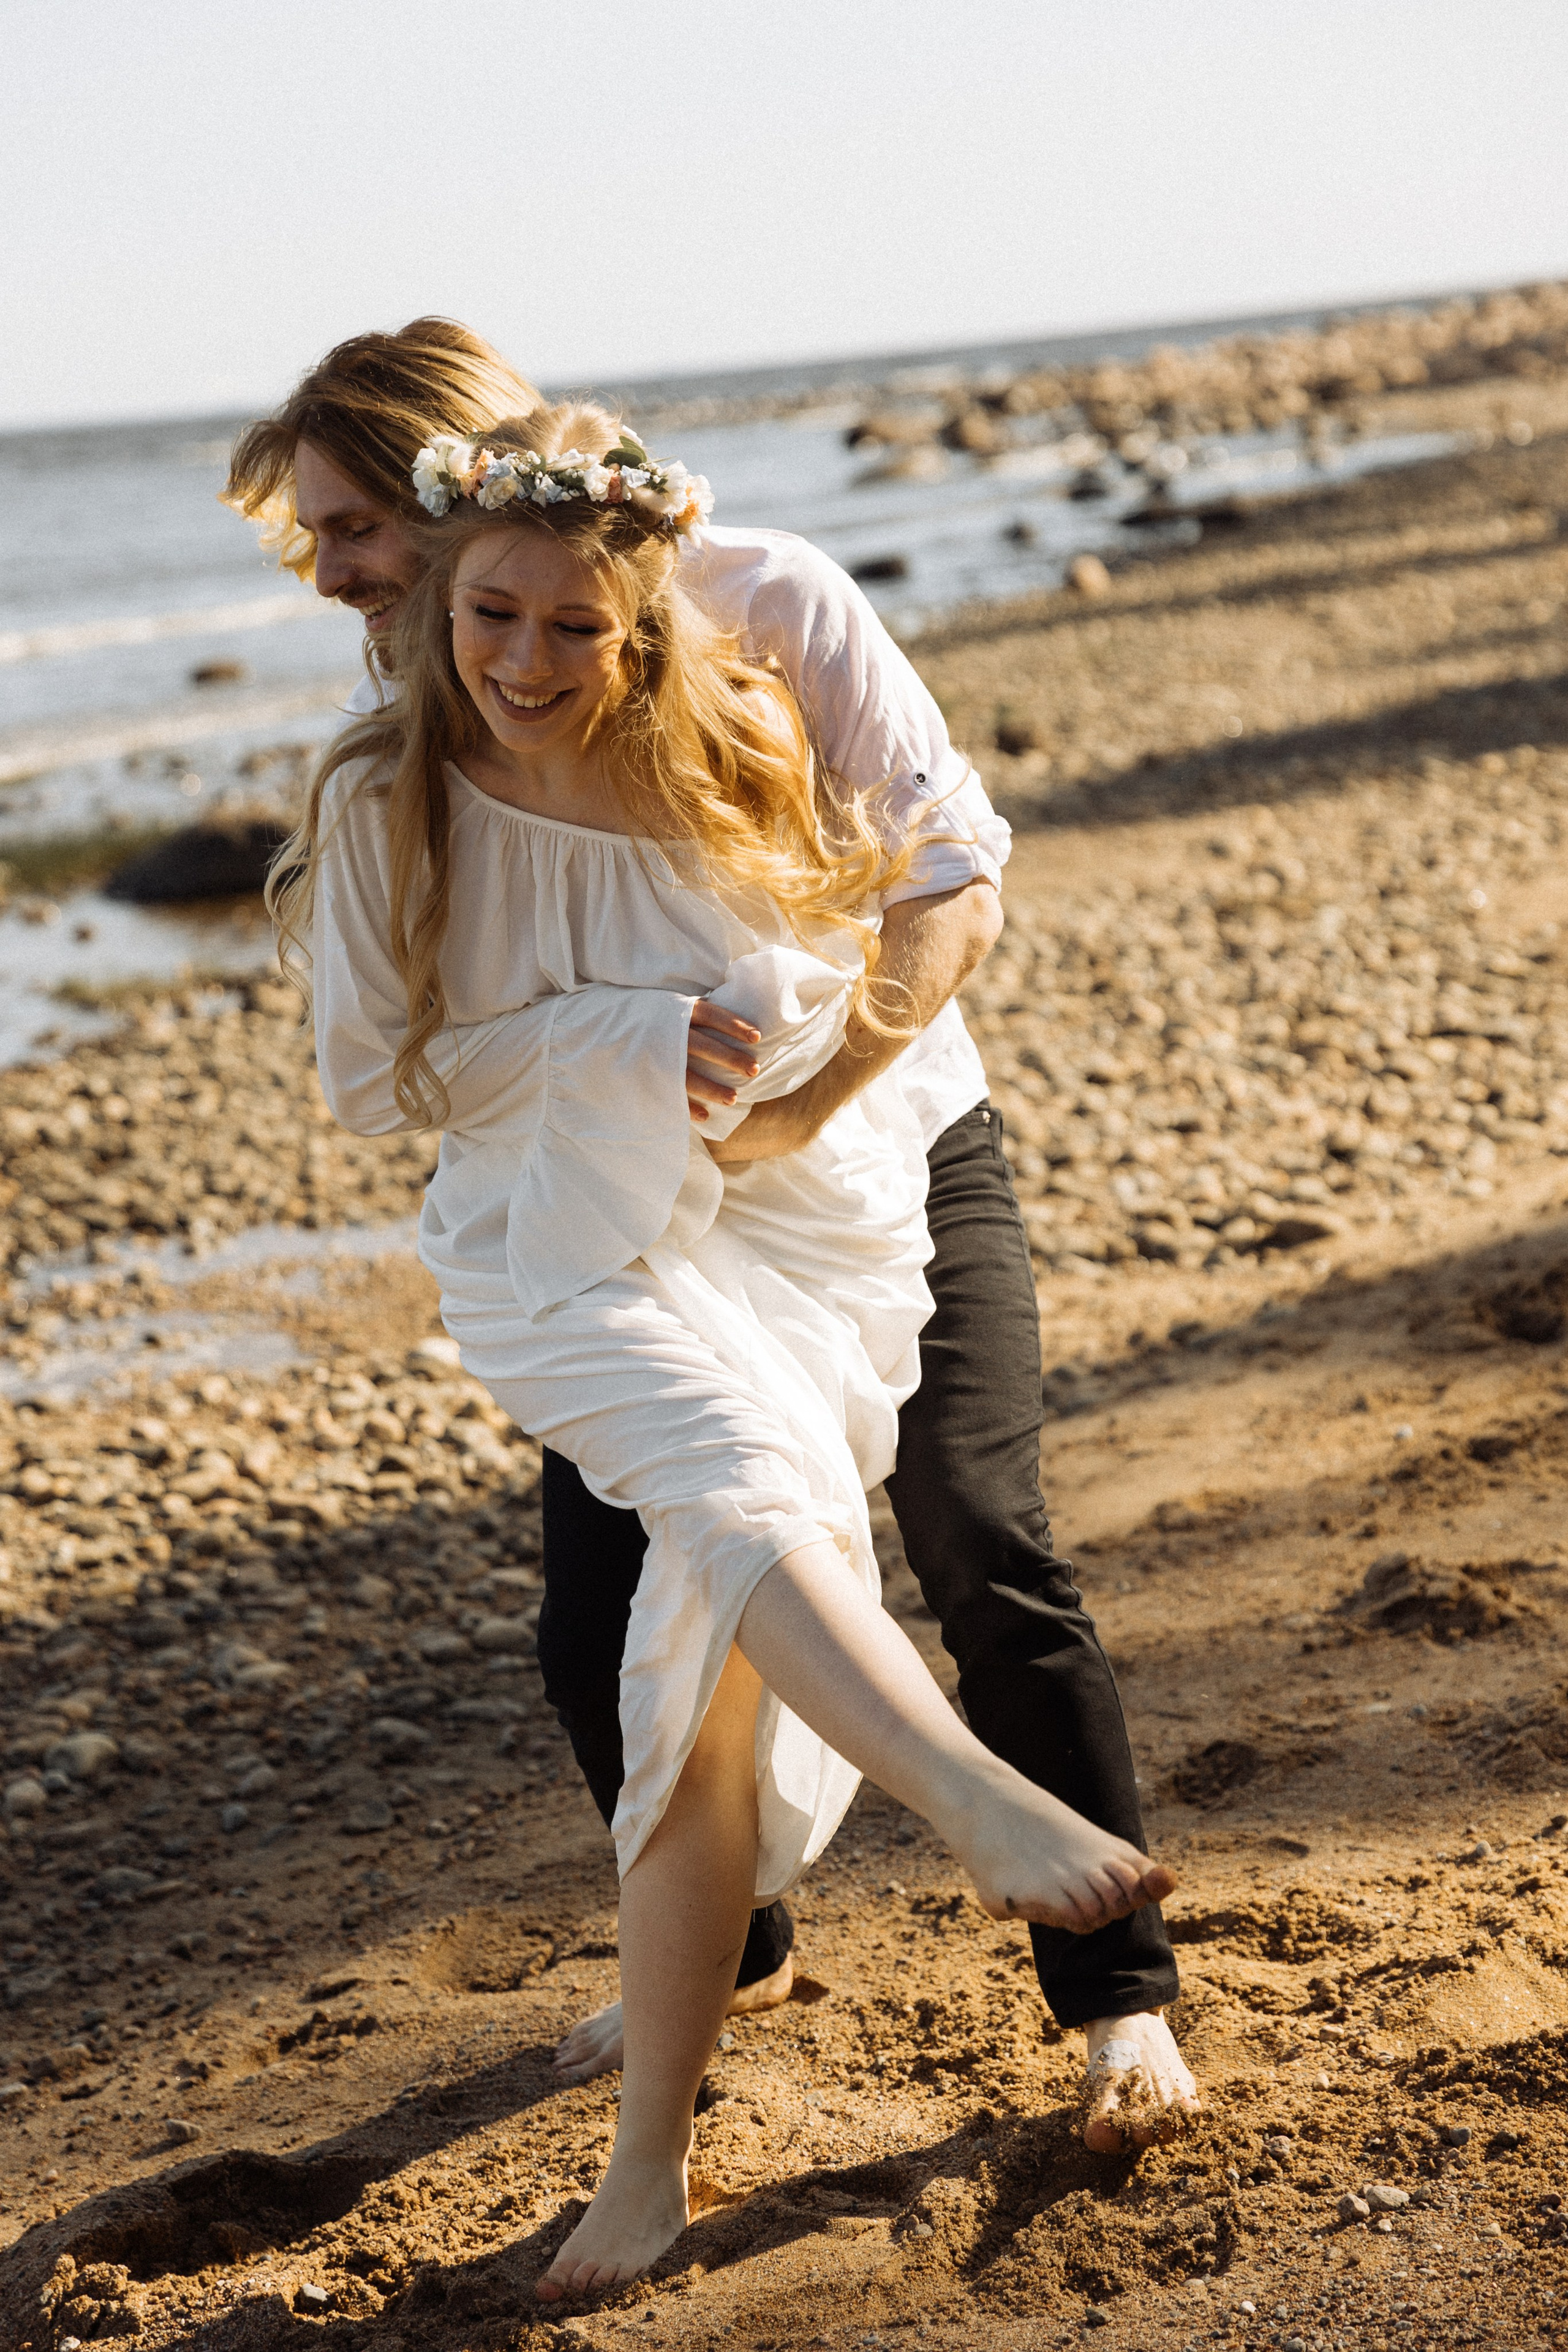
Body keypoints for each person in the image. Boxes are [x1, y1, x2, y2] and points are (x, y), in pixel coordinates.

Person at [226, 320, 1197, 2155]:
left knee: (981, 1537)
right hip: (633, 1210)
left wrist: (810, 1109)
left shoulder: (766, 601)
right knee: (597, 1624)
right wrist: (616, 1065)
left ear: (452, 482)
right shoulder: (438, 698)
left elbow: (950, 874)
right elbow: (406, 1033)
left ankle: (1120, 1996)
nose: (333, 573)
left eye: (352, 527)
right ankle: (728, 1949)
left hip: (884, 1143)